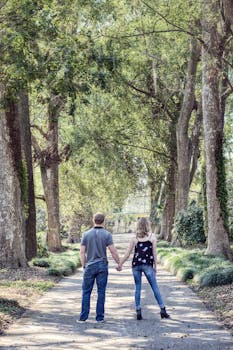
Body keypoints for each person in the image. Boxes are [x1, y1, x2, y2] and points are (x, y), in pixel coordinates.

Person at [118, 217, 169, 320]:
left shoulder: (134, 238)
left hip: (136, 265)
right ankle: (162, 309)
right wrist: (155, 265)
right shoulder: (152, 237)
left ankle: (138, 311)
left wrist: (120, 264)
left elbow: (128, 254)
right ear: (147, 225)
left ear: (138, 226)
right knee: (155, 287)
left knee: (137, 288)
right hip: (147, 265)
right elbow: (154, 253)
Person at [79, 212, 120, 323]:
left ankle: (83, 317)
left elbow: (82, 252)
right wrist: (119, 263)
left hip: (90, 266)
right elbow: (113, 251)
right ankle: (99, 318)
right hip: (102, 266)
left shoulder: (86, 234)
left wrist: (84, 265)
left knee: (86, 291)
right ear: (103, 221)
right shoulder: (107, 235)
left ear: (93, 220)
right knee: (101, 292)